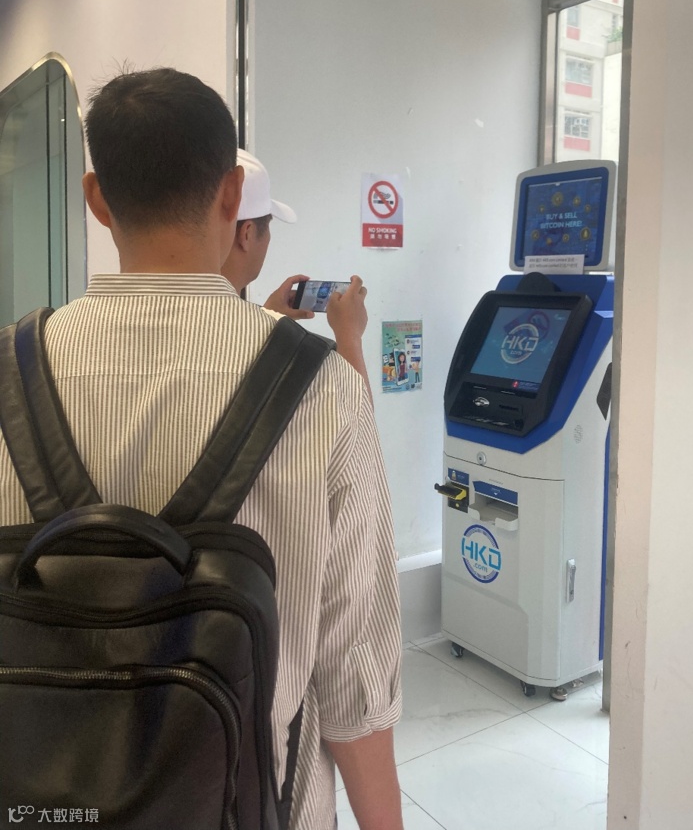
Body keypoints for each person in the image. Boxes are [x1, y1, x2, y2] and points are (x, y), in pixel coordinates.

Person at [0, 68, 403, 830]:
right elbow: (354, 681)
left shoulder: (7, 372)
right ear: (231, 193)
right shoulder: (326, 389)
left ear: (96, 198)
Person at [222, 149, 371, 394]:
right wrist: (350, 335)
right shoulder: (300, 358)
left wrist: (269, 317)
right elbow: (358, 417)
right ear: (247, 234)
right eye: (269, 226)